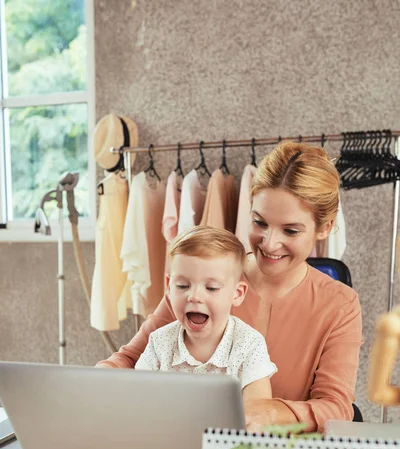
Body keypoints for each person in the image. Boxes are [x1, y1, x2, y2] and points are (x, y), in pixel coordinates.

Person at [97, 142, 363, 433]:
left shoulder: (340, 304)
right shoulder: (202, 282)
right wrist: (93, 382)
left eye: (290, 230)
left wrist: (272, 413)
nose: (270, 243)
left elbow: (336, 405)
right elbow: (130, 358)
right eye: (259, 222)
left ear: (324, 227)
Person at [135, 226, 277, 404]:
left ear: (237, 293)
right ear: (169, 287)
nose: (194, 296)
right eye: (182, 286)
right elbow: (137, 402)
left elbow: (258, 416)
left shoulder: (249, 345)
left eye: (211, 288)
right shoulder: (159, 343)